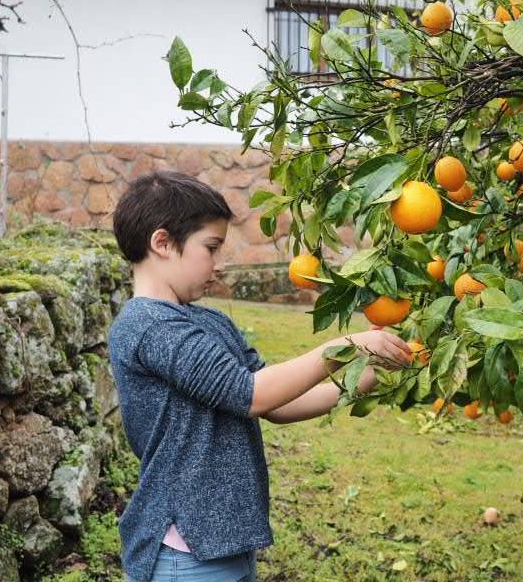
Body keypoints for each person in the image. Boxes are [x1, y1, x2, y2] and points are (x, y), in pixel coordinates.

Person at [108, 170, 413, 581]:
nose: (218, 264)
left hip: (223, 543)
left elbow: (276, 404)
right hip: (184, 551)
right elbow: (251, 395)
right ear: (162, 243)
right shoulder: (148, 325)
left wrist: (368, 377)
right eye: (210, 248)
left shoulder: (208, 322)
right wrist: (346, 347)